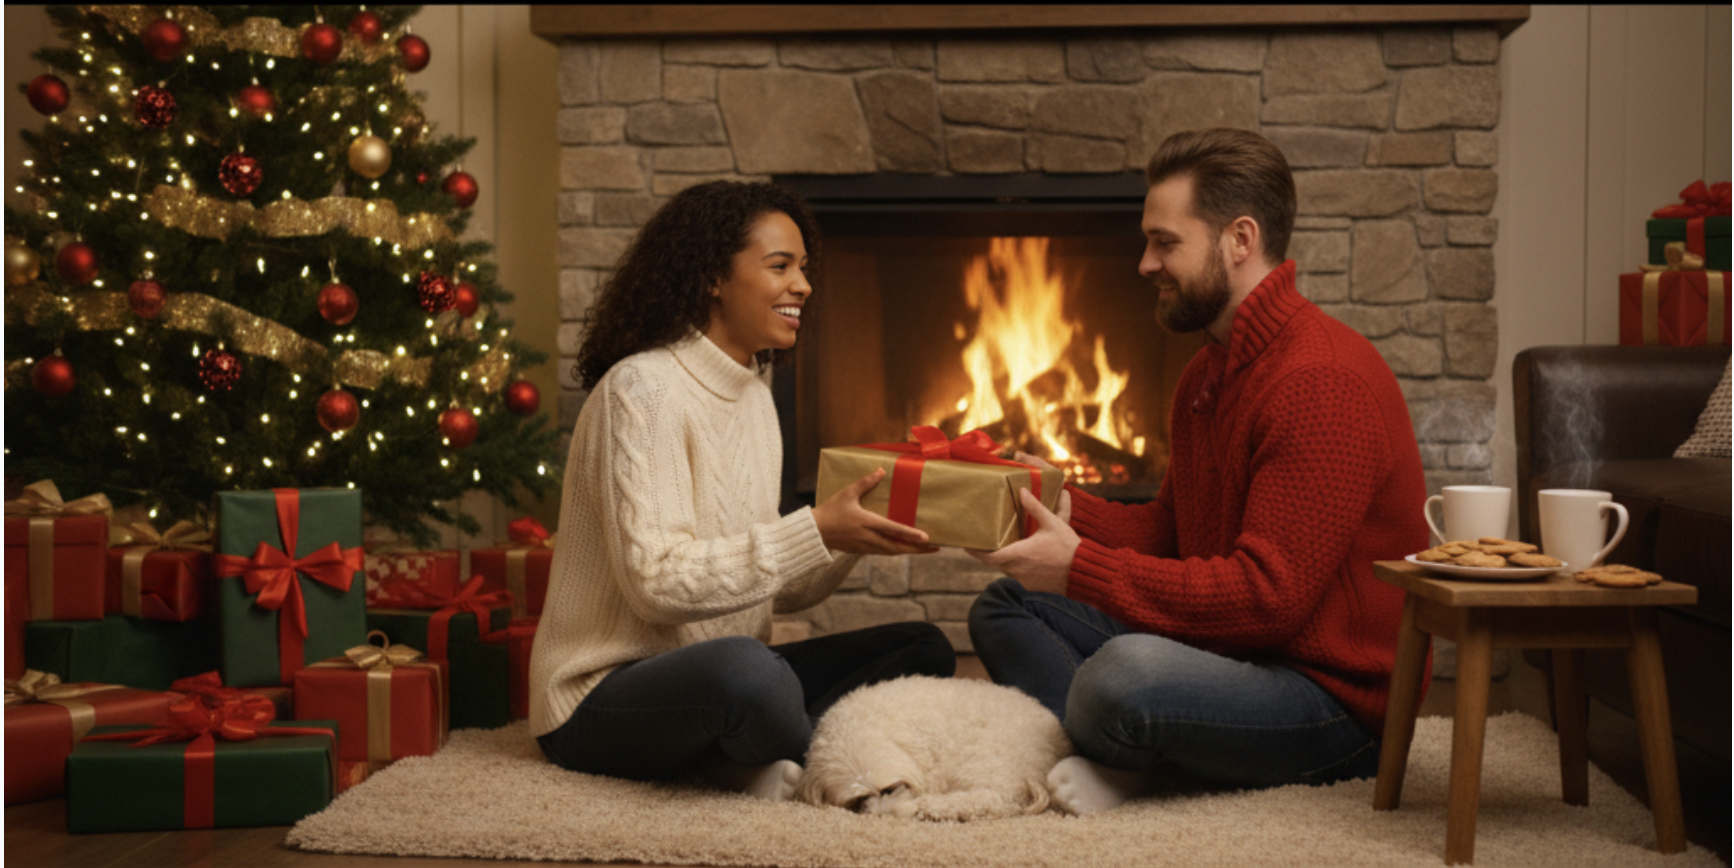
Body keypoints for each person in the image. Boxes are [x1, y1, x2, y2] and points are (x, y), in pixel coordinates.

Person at [967, 128, 1430, 815]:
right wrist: (1060, 506)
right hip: (1234, 657)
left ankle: (1129, 750)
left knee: (1123, 676)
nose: (1146, 263)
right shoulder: (1207, 374)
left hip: (1332, 704)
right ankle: (1129, 751)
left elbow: (1267, 599)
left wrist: (1080, 568)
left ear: (1239, 240)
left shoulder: (1320, 381)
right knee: (1007, 607)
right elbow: (1171, 531)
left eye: (1165, 242)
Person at [530, 180, 955, 800]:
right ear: (712, 277)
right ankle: (814, 754)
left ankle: (749, 757)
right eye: (779, 266)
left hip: (719, 680)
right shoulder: (642, 391)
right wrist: (812, 528)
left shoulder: (755, 394)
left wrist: (853, 532)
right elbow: (657, 585)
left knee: (924, 647)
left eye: (803, 268)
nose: (803, 285)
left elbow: (778, 592)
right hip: (601, 696)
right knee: (749, 672)